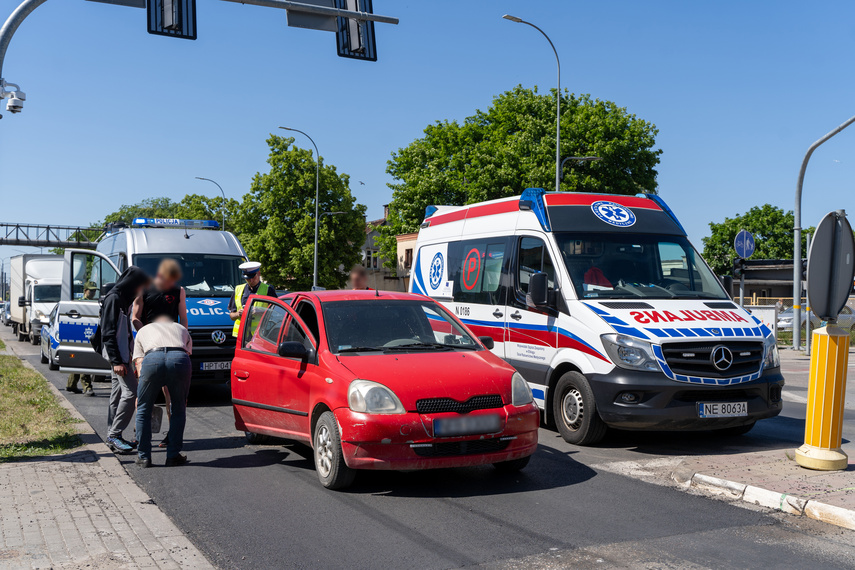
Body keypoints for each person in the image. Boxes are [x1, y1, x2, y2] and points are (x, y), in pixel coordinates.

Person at [131, 258, 189, 448]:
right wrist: (146, 335)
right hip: (150, 347)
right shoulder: (144, 289)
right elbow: (135, 318)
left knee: (171, 395)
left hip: (172, 344)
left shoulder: (179, 291)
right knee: (143, 395)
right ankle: (140, 436)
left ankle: (171, 437)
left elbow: (183, 321)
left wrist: (184, 342)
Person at [97, 266, 150, 455]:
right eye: (139, 286)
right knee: (132, 392)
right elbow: (108, 333)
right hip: (118, 357)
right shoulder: (114, 299)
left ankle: (113, 435)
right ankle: (115, 434)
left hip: (122, 355)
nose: (140, 291)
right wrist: (117, 361)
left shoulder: (122, 299)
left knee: (118, 394)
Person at [132, 315, 193, 468]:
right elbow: (187, 352)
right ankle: (173, 456)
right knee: (178, 408)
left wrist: (142, 392)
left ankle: (144, 457)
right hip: (179, 358)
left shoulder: (143, 330)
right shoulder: (181, 328)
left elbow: (139, 362)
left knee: (143, 410)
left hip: (152, 358)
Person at [67, 282, 100, 395]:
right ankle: (87, 387)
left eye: (95, 290)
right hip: (81, 332)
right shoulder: (79, 302)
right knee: (84, 360)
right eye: (91, 290)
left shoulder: (96, 303)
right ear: (85, 290)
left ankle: (71, 385)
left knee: (79, 360)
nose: (93, 292)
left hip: (91, 333)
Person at [229, 261, 277, 337]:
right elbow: (231, 315)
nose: (250, 281)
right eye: (247, 278)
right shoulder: (238, 289)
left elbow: (276, 312)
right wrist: (238, 314)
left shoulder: (268, 289)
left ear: (259, 274)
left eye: (253, 277)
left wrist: (261, 311)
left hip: (260, 335)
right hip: (241, 336)